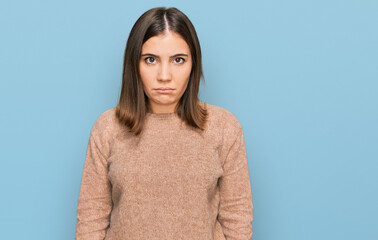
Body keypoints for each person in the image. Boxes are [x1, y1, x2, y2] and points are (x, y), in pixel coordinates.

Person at [75, 7, 253, 240]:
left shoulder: (224, 127)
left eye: (178, 60)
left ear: (194, 64)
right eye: (151, 60)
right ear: (134, 65)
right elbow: (91, 219)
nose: (164, 75)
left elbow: (237, 219)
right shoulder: (108, 127)